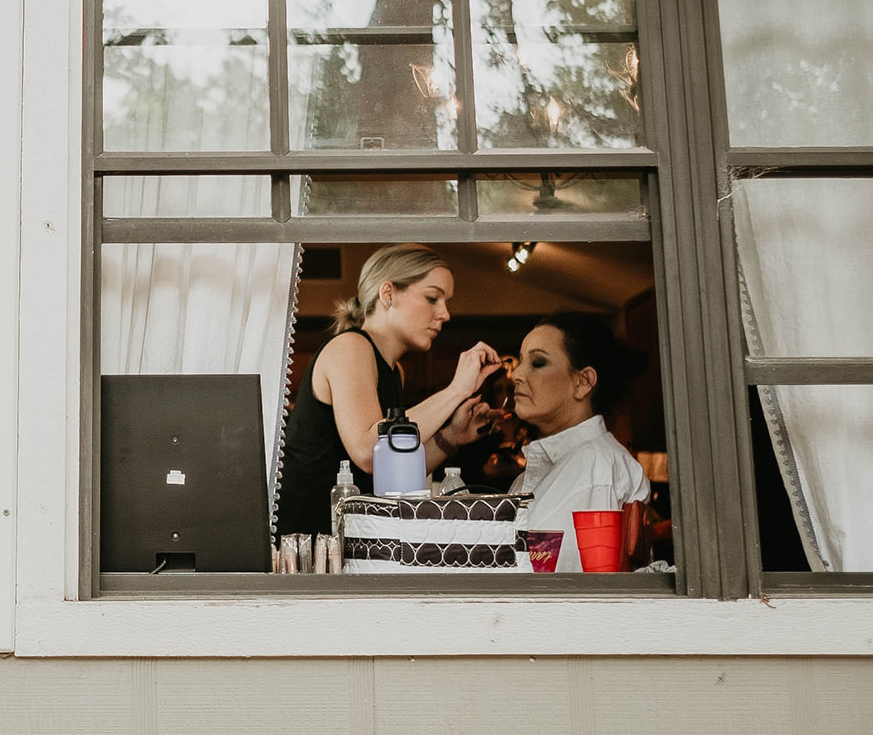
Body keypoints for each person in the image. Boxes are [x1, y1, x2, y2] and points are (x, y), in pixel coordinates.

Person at [274, 243, 502, 535]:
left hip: (352, 538)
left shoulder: (395, 371)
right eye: (433, 298)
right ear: (388, 294)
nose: (445, 314)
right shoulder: (351, 348)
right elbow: (370, 452)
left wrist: (450, 437)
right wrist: (457, 389)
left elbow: (393, 469)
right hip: (308, 540)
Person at [508, 312, 652, 572]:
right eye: (520, 361)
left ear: (583, 382)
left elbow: (578, 589)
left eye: (538, 362)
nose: (517, 374)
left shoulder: (597, 469)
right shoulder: (541, 470)